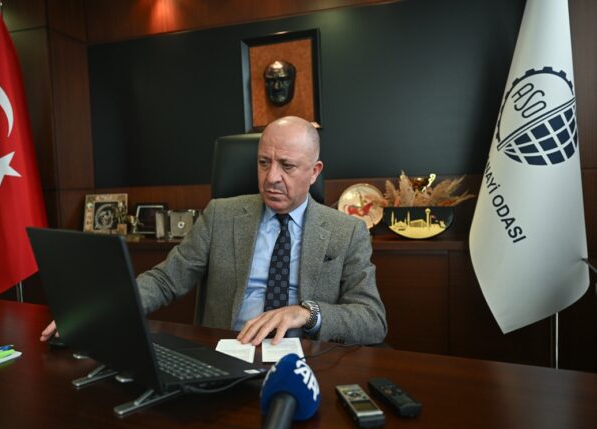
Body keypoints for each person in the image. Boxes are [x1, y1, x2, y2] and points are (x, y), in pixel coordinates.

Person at [41, 116, 386, 346]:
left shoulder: (347, 231)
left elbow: (372, 320)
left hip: (306, 363)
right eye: (264, 162)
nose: (271, 177)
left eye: (287, 166)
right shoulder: (222, 215)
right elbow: (165, 280)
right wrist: (101, 309)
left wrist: (307, 313)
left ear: (314, 172)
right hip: (227, 353)